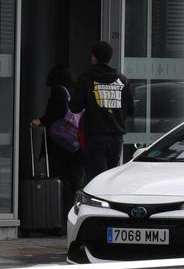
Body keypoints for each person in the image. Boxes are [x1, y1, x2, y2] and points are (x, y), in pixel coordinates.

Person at [72, 40, 134, 182]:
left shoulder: (86, 78)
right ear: (110, 58)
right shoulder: (122, 80)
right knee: (111, 178)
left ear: (93, 57)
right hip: (116, 137)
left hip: (95, 136)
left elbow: (75, 107)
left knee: (96, 178)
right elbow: (130, 109)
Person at [31, 65, 85, 214]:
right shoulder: (77, 90)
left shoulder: (59, 92)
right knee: (76, 180)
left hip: (62, 142)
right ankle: (76, 212)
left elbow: (55, 114)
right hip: (77, 140)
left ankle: (59, 213)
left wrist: (41, 121)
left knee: (60, 177)